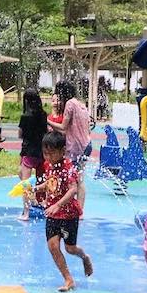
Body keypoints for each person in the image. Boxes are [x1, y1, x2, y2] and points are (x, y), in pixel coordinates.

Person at [33, 131, 93, 292]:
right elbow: (50, 183)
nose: (48, 157)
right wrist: (37, 188)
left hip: (68, 215)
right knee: (53, 246)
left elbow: (73, 190)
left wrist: (58, 204)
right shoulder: (48, 166)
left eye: (51, 154)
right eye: (45, 154)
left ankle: (84, 257)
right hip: (53, 214)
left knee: (70, 249)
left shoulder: (69, 168)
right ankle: (68, 279)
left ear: (63, 151)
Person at [48, 80, 91, 211]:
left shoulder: (69, 104)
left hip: (76, 147)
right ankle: (80, 209)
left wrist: (47, 121)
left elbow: (63, 127)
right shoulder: (80, 104)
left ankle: (75, 209)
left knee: (73, 179)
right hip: (87, 144)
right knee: (79, 178)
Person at [18, 88, 48, 220]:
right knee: (41, 180)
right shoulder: (43, 114)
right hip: (41, 152)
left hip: (28, 152)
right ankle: (42, 203)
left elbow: (20, 135)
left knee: (26, 183)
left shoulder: (25, 117)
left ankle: (26, 212)